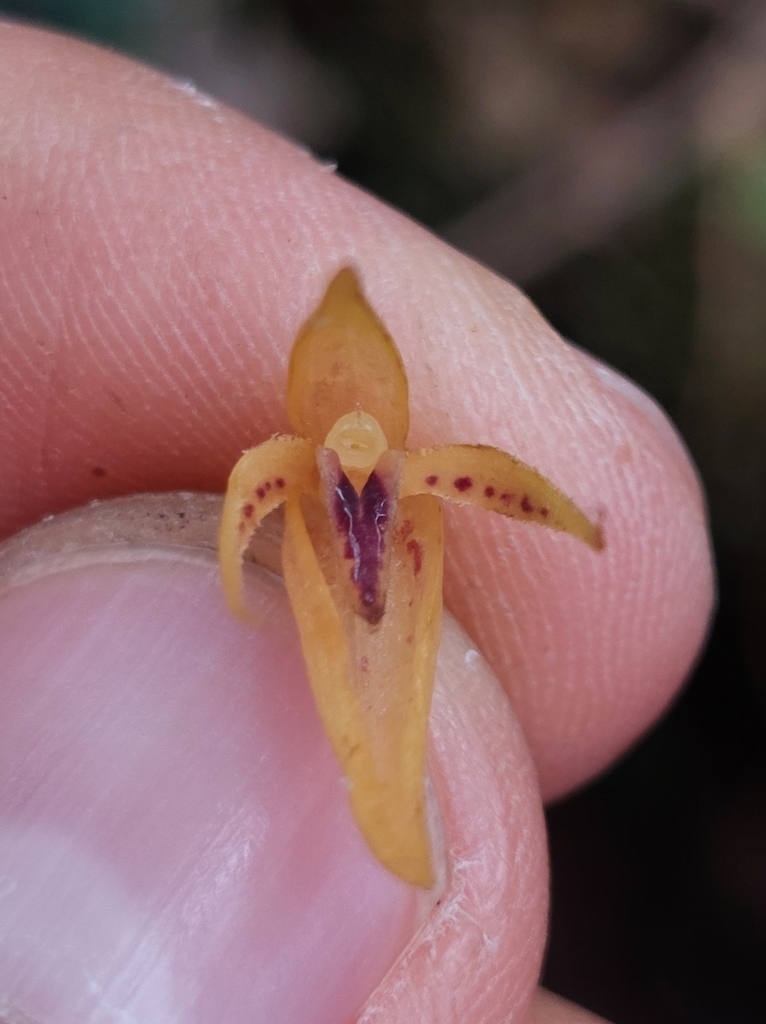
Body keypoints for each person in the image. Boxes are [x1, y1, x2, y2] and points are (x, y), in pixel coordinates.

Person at [0, 20, 713, 1024]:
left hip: (375, 571)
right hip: (323, 561)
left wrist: (573, 522)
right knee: (383, 744)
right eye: (345, 453)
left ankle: (388, 823)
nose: (359, 457)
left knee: (392, 734)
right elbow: (255, 492)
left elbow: (513, 490)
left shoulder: (405, 474)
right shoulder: (291, 470)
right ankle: (386, 826)